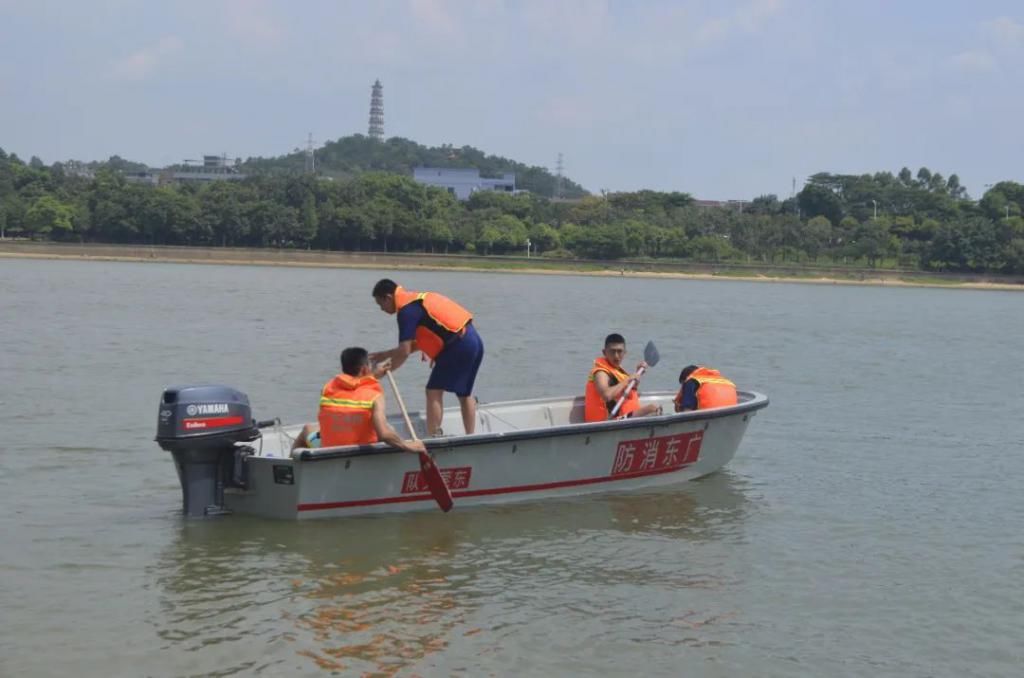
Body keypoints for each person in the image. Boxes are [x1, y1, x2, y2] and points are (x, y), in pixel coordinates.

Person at [369, 279, 484, 436]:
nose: (381, 309)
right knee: (464, 394)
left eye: (380, 304)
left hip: (458, 347)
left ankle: (434, 437)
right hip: (473, 340)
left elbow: (404, 351)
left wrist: (379, 374)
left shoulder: (406, 311)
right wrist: (386, 354)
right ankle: (471, 436)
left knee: (433, 391)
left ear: (388, 297)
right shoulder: (416, 300)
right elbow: (417, 344)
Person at [291, 347, 426, 454]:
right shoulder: (374, 396)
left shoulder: (328, 388)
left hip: (328, 448)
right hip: (360, 449)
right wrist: (409, 446)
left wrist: (373, 376)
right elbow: (384, 435)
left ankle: (293, 471)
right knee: (389, 428)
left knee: (307, 429)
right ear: (364, 368)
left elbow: (352, 387)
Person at [584, 333, 662, 422]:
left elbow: (627, 391)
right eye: (612, 351)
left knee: (655, 408)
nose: (616, 356)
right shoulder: (601, 372)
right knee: (653, 408)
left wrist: (637, 373)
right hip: (607, 422)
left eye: (620, 351)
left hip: (623, 417)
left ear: (625, 352)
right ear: (604, 352)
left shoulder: (617, 371)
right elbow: (606, 395)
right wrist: (627, 380)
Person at [673, 365, 738, 412]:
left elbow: (687, 410)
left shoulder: (690, 381)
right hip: (731, 414)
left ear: (686, 378)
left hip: (708, 418)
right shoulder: (725, 381)